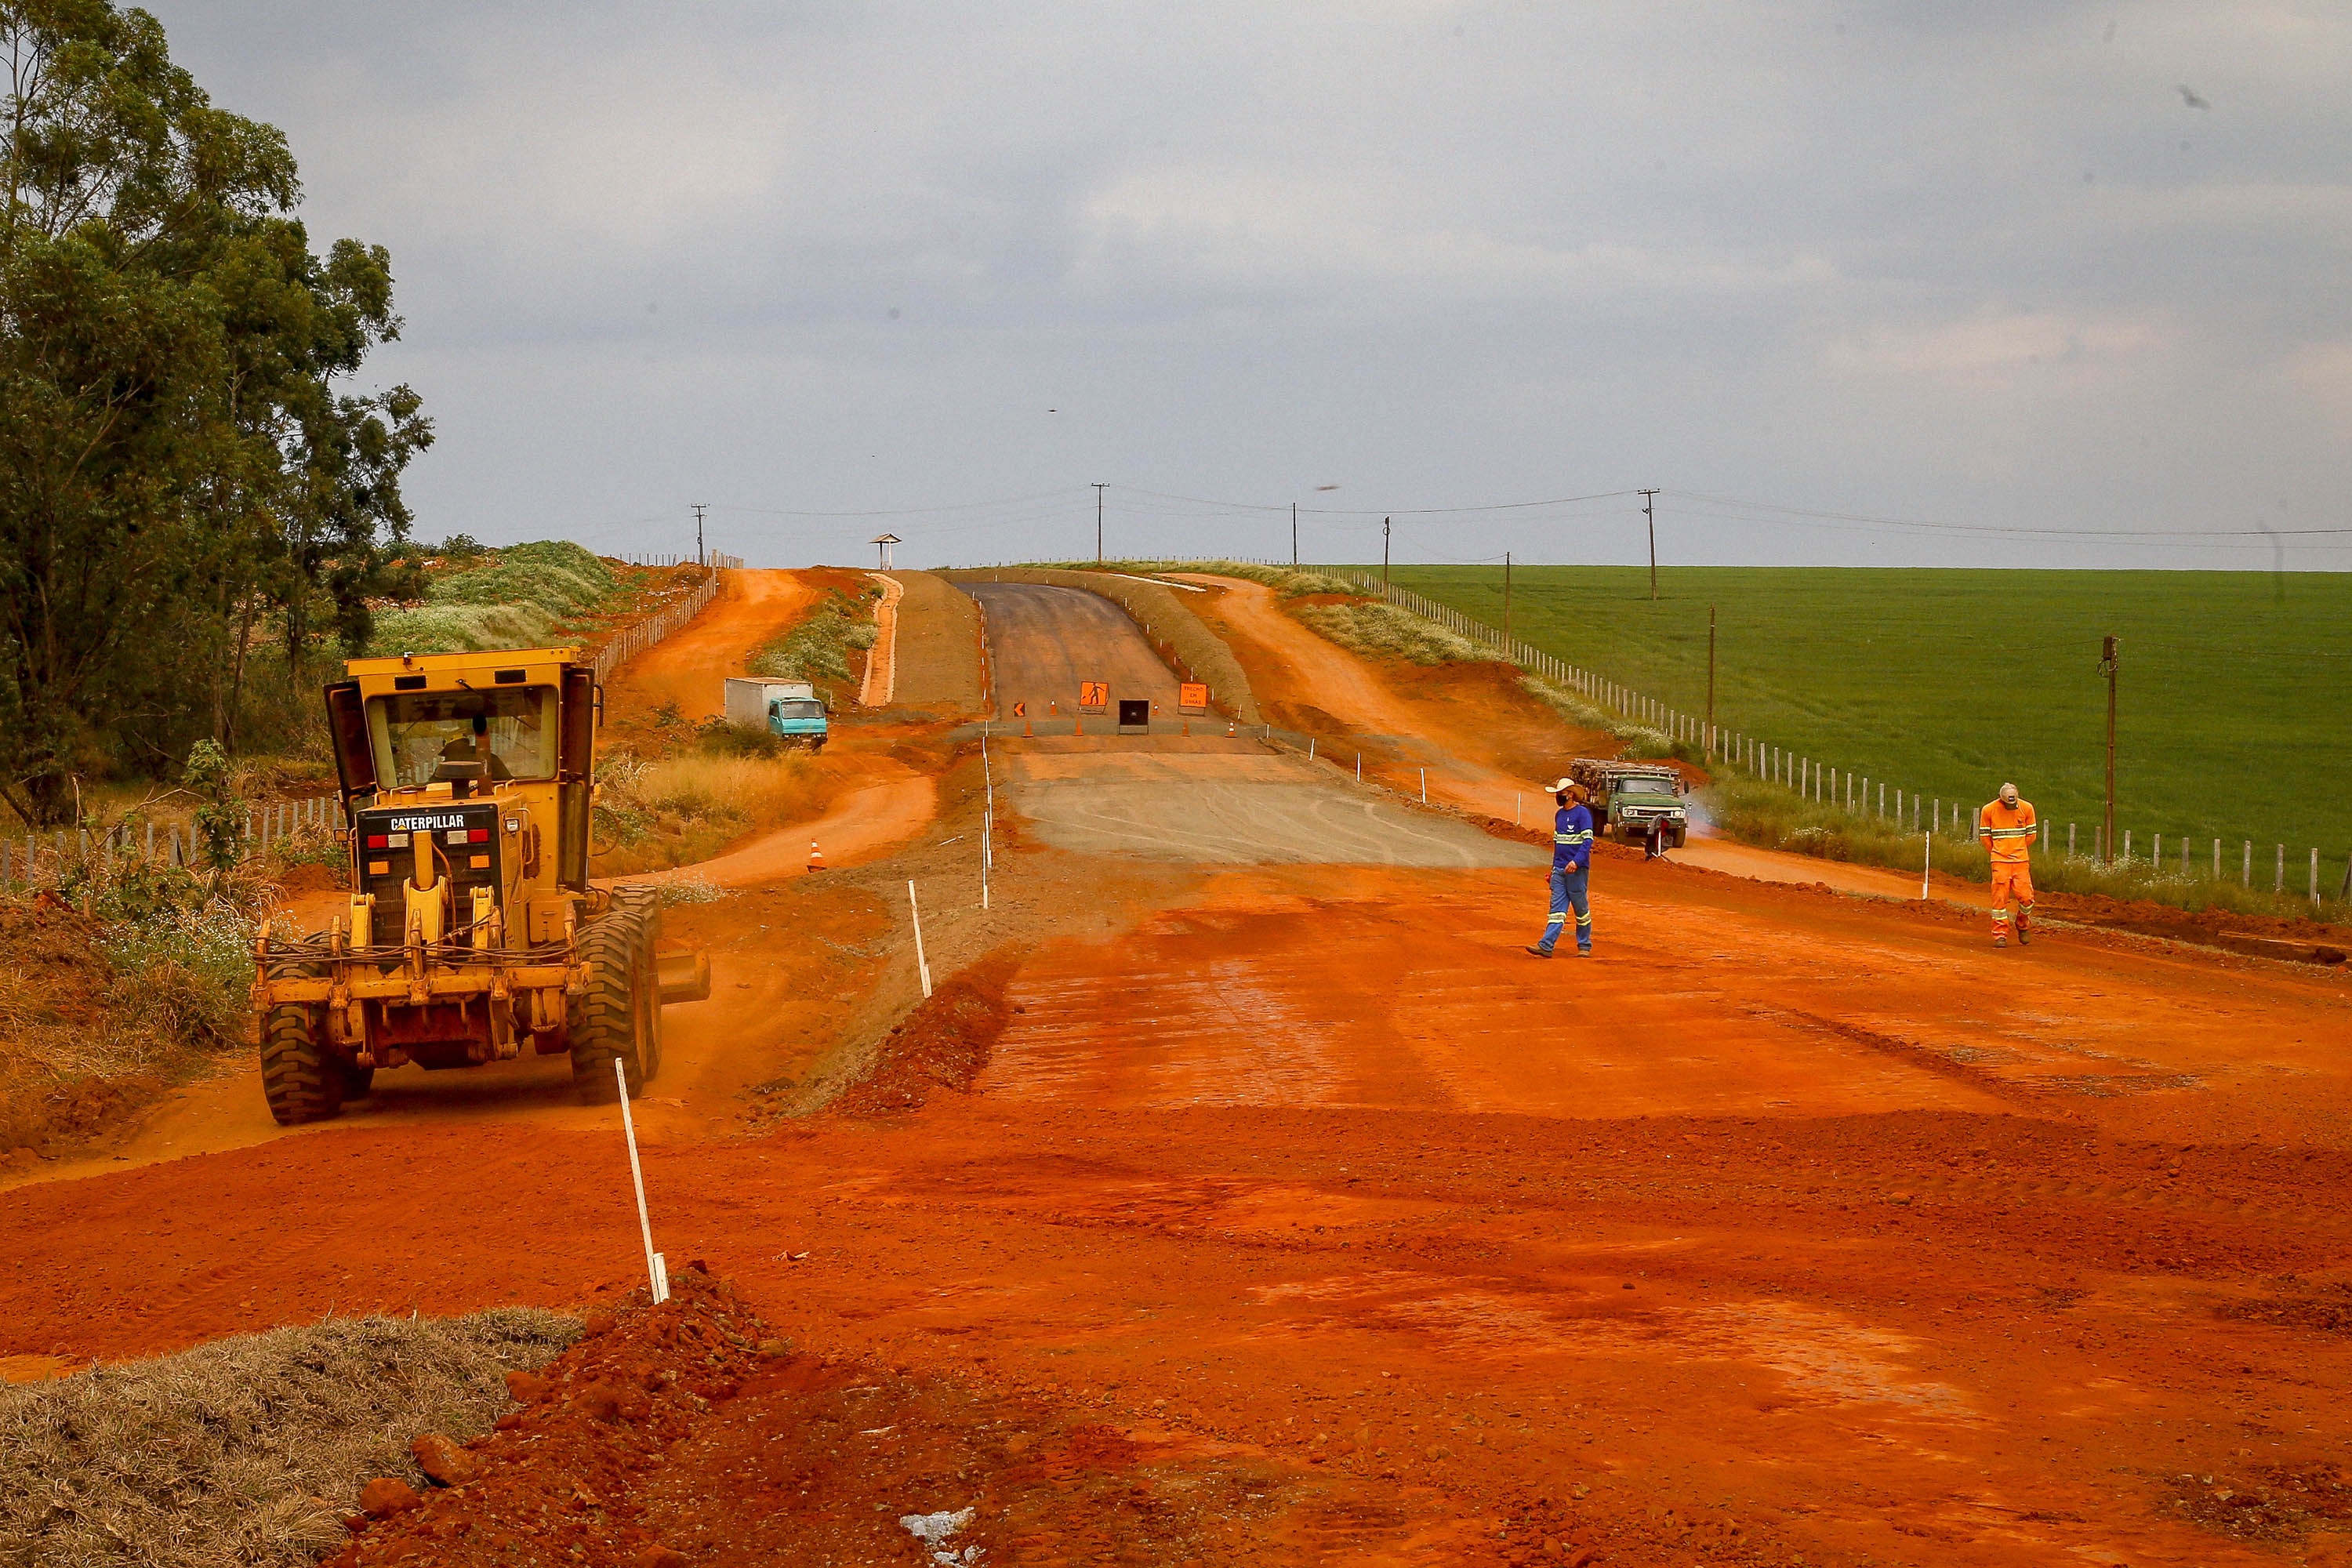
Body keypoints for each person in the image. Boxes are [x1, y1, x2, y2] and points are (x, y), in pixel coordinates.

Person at [1526, 777, 1594, 958]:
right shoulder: (1559, 815)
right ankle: (1546, 945)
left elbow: (1588, 842)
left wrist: (1576, 862)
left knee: (1581, 910)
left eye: (1560, 794)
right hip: (1560, 870)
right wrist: (1554, 869)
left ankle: (1584, 945)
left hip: (1577, 871)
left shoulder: (1583, 814)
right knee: (1556, 911)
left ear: (1570, 795)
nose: (1558, 797)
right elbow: (1558, 845)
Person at [1977, 781, 2038, 946]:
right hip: (2000, 861)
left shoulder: (2027, 808)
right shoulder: (1989, 810)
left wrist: (2017, 850)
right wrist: (1999, 852)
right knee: (1999, 900)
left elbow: (2031, 836)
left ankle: (2022, 924)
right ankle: (2000, 935)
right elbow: (1985, 837)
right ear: (2001, 799)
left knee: (2027, 898)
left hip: (2020, 861)